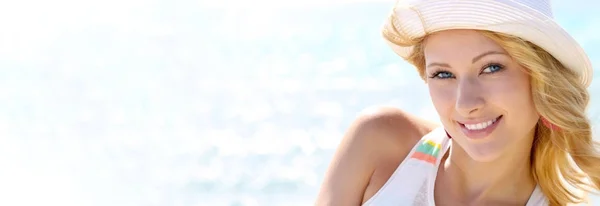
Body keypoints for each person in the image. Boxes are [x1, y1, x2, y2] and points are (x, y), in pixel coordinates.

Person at [315, 0, 600, 205]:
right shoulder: (379, 142)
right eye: (443, 74)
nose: (465, 103)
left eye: (491, 68)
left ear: (541, 78)